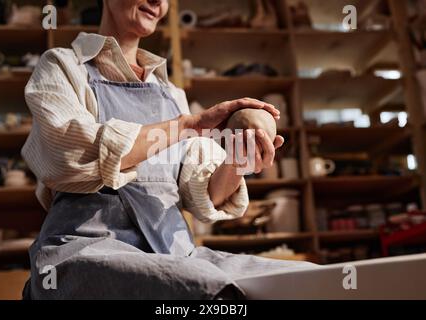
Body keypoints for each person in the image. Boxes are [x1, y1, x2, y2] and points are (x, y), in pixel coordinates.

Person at [21, 0, 316, 299]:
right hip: (88, 249)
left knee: (308, 282)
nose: (157, 2)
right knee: (208, 291)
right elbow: (68, 151)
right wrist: (187, 126)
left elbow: (205, 193)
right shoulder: (63, 66)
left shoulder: (170, 94)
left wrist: (239, 159)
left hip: (175, 254)